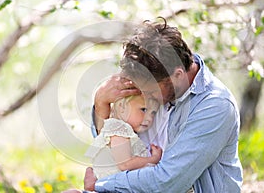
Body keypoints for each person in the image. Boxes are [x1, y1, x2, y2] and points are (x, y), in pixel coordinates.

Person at [85, 17, 243, 192]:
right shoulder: (154, 84)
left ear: (178, 75)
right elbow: (113, 148)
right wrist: (101, 103)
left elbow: (167, 182)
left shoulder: (215, 105)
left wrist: (101, 185)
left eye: (151, 92)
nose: (145, 97)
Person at [63, 95, 162, 193]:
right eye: (143, 110)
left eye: (153, 113)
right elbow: (125, 164)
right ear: (122, 107)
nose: (149, 118)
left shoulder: (121, 130)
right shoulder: (120, 129)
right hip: (111, 185)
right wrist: (152, 159)